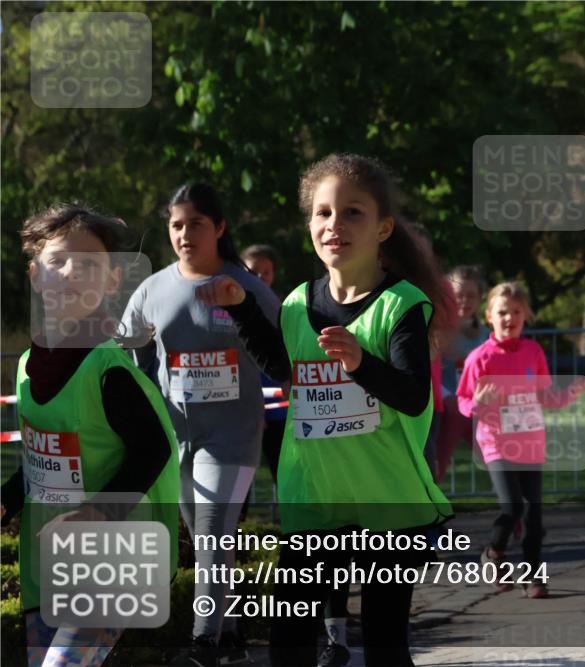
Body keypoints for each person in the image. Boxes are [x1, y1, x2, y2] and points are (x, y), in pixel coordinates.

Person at [195, 153, 454, 667]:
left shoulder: (401, 305)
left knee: (384, 644)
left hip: (386, 500)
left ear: (382, 228)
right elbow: (283, 366)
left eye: (353, 212)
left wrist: (360, 362)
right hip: (314, 498)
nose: (335, 224)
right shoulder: (297, 302)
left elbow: (412, 395)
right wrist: (242, 308)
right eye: (323, 212)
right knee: (289, 639)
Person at [0, 204, 179, 667]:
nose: (71, 273)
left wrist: (98, 512)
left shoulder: (107, 368)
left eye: (88, 265)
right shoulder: (28, 366)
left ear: (112, 280)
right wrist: (7, 500)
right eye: (58, 261)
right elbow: (42, 460)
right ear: (35, 275)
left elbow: (153, 449)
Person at [123, 184, 281, 667]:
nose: (184, 234)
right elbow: (126, 352)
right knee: (207, 540)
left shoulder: (245, 286)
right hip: (177, 437)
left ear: (219, 227)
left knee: (213, 531)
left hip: (232, 436)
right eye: (176, 225)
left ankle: (202, 644)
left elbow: (281, 347)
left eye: (196, 223)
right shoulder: (153, 288)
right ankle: (230, 637)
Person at [457, 281, 585, 599]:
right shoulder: (480, 358)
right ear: (489, 316)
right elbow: (463, 401)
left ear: (525, 315)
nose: (509, 318)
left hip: (530, 443)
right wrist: (478, 404)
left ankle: (533, 576)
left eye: (516, 312)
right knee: (514, 505)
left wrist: (568, 394)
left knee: (533, 514)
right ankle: (494, 553)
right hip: (496, 442)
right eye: (502, 312)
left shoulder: (533, 352)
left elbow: (544, 396)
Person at [437, 265, 488, 483]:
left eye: (471, 296)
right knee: (437, 465)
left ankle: (515, 501)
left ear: (480, 299)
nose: (464, 301)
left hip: (479, 410)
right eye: (459, 295)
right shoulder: (437, 330)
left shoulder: (486, 334)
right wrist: (447, 397)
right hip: (447, 410)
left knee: (503, 461)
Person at [240, 244, 285, 486]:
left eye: (266, 272)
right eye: (253, 272)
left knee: (284, 472)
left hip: (278, 409)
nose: (261, 278)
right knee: (239, 479)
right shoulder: (226, 312)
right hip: (243, 410)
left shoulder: (284, 309)